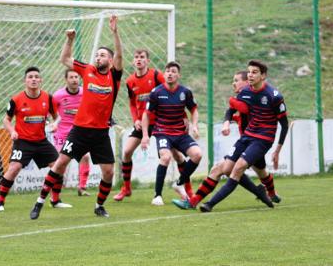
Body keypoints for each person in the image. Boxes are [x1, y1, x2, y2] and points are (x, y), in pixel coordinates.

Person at [29, 15, 123, 219]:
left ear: (110, 60)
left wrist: (115, 33)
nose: (98, 57)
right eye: (97, 55)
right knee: (60, 163)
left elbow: (120, 58)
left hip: (100, 133)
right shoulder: (87, 70)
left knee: (108, 172)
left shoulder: (113, 76)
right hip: (79, 130)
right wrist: (69, 40)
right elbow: (64, 59)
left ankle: (99, 205)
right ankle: (39, 202)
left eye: (103, 55)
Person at [174, 70, 282, 210]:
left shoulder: (255, 97)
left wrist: (233, 106)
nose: (233, 83)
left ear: (246, 82)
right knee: (224, 169)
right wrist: (227, 121)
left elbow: (242, 108)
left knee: (238, 170)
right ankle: (193, 201)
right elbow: (231, 110)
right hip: (245, 142)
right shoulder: (242, 97)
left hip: (256, 143)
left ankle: (265, 193)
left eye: (236, 80)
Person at [113, 50, 190, 202]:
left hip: (162, 122)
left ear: (148, 61)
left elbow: (172, 93)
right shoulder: (130, 81)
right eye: (136, 57)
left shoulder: (156, 76)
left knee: (177, 156)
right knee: (127, 152)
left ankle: (186, 189)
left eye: (142, 57)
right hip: (143, 122)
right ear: (133, 61)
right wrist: (135, 119)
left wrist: (183, 115)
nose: (139, 60)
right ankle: (126, 188)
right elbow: (132, 103)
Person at [0, 67, 71, 212]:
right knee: (14, 168)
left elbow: (57, 116)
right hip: (23, 142)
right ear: (25, 81)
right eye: (30, 77)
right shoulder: (16, 100)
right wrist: (12, 131)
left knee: (59, 167)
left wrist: (55, 124)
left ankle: (55, 200)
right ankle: (0, 201)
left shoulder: (48, 98)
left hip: (41, 141)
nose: (34, 79)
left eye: (37, 77)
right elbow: (6, 120)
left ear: (41, 80)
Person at [141, 61, 201, 206]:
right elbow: (146, 114)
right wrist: (145, 135)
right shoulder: (156, 92)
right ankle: (157, 195)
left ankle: (179, 183)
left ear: (178, 75)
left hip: (180, 133)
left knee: (197, 154)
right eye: (167, 71)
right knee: (166, 157)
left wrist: (194, 125)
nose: (169, 73)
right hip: (163, 132)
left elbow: (193, 110)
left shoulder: (185, 92)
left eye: (173, 71)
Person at [50, 69, 91, 196]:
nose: (74, 80)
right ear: (66, 80)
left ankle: (82, 188)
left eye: (76, 77)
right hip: (62, 133)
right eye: (71, 77)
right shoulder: (58, 96)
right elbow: (50, 112)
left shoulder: (85, 93)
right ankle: (56, 190)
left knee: (85, 157)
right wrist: (53, 123)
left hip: (79, 132)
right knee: (60, 162)